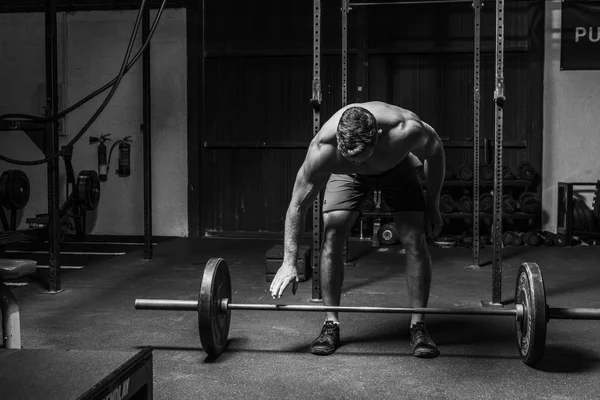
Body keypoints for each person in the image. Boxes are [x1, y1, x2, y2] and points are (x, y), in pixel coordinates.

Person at [269, 101, 445, 358]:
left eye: (363, 157)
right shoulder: (323, 149)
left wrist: (433, 205)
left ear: (379, 137)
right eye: (352, 156)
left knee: (415, 238)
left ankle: (419, 325)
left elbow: (436, 151)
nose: (362, 166)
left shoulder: (405, 130)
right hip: (345, 171)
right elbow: (297, 205)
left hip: (395, 165)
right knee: (332, 232)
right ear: (340, 142)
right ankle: (331, 323)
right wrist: (288, 262)